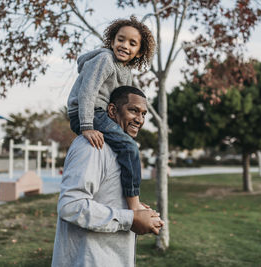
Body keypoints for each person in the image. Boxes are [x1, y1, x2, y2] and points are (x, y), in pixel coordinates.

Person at [52, 86, 164, 267]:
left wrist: (140, 213)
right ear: (112, 110)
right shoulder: (92, 146)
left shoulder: (122, 151)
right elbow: (71, 206)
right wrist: (131, 219)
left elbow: (107, 198)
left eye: (144, 114)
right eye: (133, 110)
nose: (140, 119)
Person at [67, 16, 155, 211]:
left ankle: (118, 196)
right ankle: (134, 204)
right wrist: (87, 127)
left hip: (102, 114)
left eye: (132, 43)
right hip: (88, 114)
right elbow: (87, 92)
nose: (124, 45)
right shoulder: (105, 59)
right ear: (112, 41)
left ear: (139, 52)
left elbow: (124, 100)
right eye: (120, 39)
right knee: (129, 147)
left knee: (125, 144)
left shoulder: (126, 71)